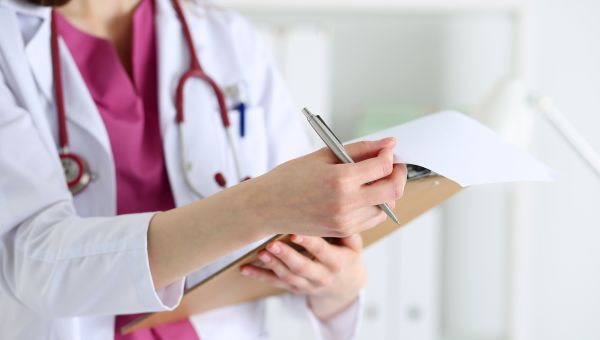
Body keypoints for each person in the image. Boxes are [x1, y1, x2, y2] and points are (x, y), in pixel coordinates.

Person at [0, 0, 408, 339]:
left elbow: (295, 241)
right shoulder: (8, 47)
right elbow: (34, 264)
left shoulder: (228, 39)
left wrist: (336, 288)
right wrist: (262, 205)